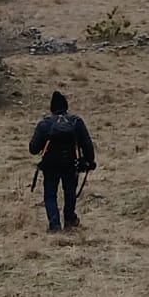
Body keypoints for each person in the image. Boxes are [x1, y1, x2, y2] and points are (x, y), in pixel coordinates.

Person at [29, 90, 95, 233]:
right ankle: (70, 219)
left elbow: (33, 149)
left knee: (50, 195)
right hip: (71, 164)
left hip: (50, 166)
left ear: (51, 108)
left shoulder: (44, 124)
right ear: (66, 107)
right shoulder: (76, 122)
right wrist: (90, 162)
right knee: (70, 193)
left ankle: (55, 226)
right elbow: (87, 144)